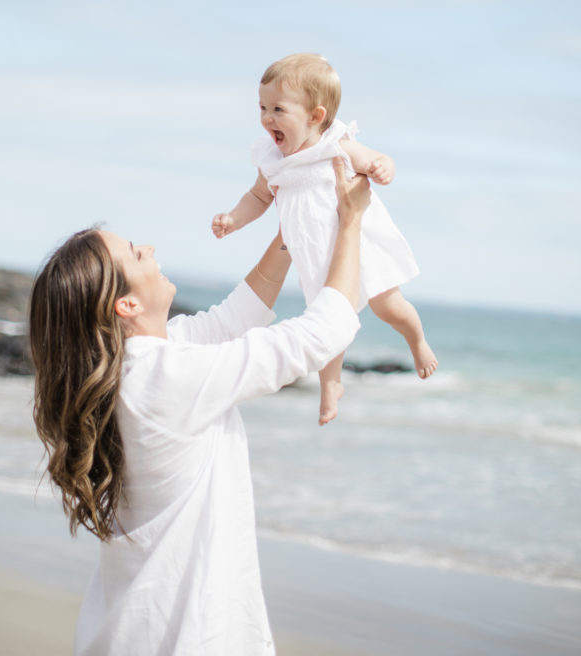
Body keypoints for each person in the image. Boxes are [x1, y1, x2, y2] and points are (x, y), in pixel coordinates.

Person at [29, 159, 369, 656]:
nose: (148, 248)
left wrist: (293, 229)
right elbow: (319, 335)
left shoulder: (138, 369)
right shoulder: (163, 378)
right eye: (134, 252)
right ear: (125, 305)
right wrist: (351, 222)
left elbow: (235, 319)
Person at [212, 52, 437, 426]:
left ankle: (417, 340)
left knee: (389, 306)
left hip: (358, 245)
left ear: (315, 117)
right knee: (327, 321)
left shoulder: (335, 144)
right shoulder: (271, 157)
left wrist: (384, 169)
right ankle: (330, 384)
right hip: (315, 252)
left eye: (278, 109)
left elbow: (376, 159)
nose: (267, 118)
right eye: (263, 107)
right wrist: (234, 219)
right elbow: (258, 197)